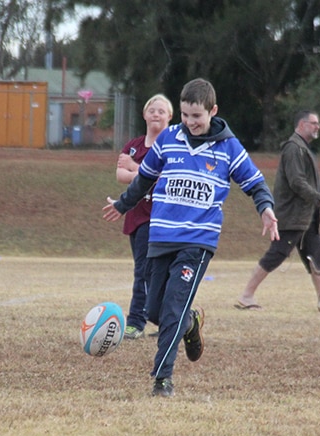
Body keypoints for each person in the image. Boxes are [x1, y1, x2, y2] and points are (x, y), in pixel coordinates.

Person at [103, 78, 279, 397]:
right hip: (161, 237)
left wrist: (265, 208)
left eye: (196, 116)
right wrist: (122, 204)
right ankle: (190, 322)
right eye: (184, 115)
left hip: (197, 241)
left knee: (171, 308)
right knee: (155, 312)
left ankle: (162, 379)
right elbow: (144, 180)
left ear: (212, 111)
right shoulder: (168, 139)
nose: (189, 122)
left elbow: (255, 183)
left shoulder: (229, 147)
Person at [235, 110, 320, 313]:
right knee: (277, 254)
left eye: (318, 123)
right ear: (301, 125)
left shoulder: (303, 148)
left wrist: (316, 202)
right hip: (292, 216)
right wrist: (319, 198)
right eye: (313, 123)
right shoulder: (293, 148)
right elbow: (296, 182)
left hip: (307, 217)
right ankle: (246, 296)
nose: (317, 127)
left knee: (316, 255)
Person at [115, 94, 173, 340]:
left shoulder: (172, 145)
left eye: (162, 110)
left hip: (162, 217)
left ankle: (137, 321)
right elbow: (120, 174)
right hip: (137, 216)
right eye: (153, 109)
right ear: (145, 114)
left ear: (170, 117)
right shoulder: (134, 145)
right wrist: (140, 173)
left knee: (149, 272)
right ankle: (166, 321)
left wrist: (135, 168)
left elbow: (166, 178)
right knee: (147, 271)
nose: (156, 114)